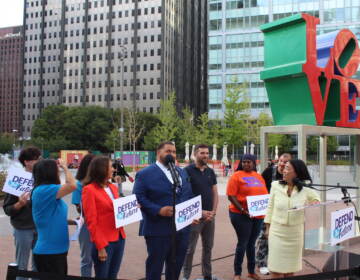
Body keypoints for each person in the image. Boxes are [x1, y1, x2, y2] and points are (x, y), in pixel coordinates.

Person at [133, 141, 194, 280]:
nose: (171, 154)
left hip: (182, 229)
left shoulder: (181, 171)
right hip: (157, 228)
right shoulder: (144, 173)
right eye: (168, 151)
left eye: (173, 152)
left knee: (175, 267)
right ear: (158, 152)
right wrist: (158, 210)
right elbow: (138, 197)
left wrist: (193, 213)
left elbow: (188, 195)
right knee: (155, 267)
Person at [264, 159, 320, 278]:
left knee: (290, 271)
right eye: (284, 168)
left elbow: (316, 199)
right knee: (276, 269)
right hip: (277, 232)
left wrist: (313, 203)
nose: (284, 171)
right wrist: (267, 228)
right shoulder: (275, 185)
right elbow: (270, 207)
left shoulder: (305, 189)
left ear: (297, 172)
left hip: (295, 235)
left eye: (287, 168)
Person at [82, 156, 126, 279]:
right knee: (102, 276)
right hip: (104, 241)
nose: (113, 169)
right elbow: (91, 221)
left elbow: (117, 210)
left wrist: (131, 209)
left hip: (119, 237)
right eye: (111, 167)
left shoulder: (112, 187)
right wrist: (100, 247)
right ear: (102, 169)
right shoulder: (89, 190)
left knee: (113, 276)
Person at [31, 159, 76, 276]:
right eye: (57, 170)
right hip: (49, 252)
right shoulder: (43, 191)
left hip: (58, 250)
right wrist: (66, 167)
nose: (59, 172)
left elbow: (51, 218)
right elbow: (72, 185)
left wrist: (74, 222)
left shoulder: (50, 191)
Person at [226, 154, 268, 280]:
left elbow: (264, 194)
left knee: (251, 244)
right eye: (244, 162)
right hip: (240, 214)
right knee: (243, 243)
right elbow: (231, 196)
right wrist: (242, 210)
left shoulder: (258, 176)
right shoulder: (236, 176)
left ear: (254, 163)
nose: (246, 164)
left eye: (249, 162)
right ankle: (237, 273)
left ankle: (251, 271)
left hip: (257, 215)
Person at [3, 146, 41, 280]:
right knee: (21, 265)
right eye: (36, 159)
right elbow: (7, 209)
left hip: (40, 228)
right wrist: (20, 204)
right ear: (27, 162)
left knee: (39, 265)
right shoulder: (16, 179)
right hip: (23, 228)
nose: (39, 162)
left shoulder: (42, 179)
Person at [182, 144, 219, 280]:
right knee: (189, 249)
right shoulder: (187, 171)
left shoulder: (210, 171)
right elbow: (184, 195)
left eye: (207, 153)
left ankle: (207, 275)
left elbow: (214, 193)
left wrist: (213, 212)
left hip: (209, 217)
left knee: (208, 247)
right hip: (194, 217)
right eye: (202, 153)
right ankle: (185, 276)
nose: (205, 155)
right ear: (195, 154)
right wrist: (199, 211)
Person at [256, 153, 292, 275]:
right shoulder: (268, 171)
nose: (282, 164)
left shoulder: (291, 174)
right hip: (268, 208)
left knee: (280, 237)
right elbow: (259, 185)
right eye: (281, 161)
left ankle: (278, 262)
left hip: (283, 210)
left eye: (285, 162)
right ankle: (261, 263)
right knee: (264, 236)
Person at [71, 153, 95, 277]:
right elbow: (79, 208)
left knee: (103, 257)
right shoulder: (79, 184)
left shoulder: (103, 183)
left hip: (102, 225)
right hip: (86, 225)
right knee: (87, 259)